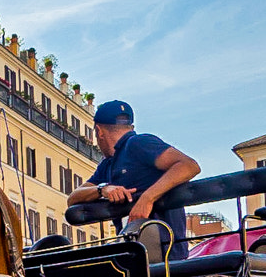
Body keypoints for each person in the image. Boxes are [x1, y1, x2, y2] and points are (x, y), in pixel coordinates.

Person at [65, 101, 202, 259]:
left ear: (99, 131)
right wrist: (102, 189)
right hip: (137, 249)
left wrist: (147, 198)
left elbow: (189, 166)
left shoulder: (138, 143)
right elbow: (73, 198)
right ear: (131, 126)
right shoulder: (108, 164)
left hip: (161, 252)